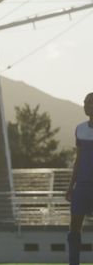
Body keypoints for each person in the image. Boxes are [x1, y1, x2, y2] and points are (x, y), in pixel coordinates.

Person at [65, 92, 93, 265]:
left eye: (89, 102)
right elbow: (78, 160)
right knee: (74, 228)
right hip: (82, 186)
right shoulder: (80, 129)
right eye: (85, 102)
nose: (86, 105)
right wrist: (70, 187)